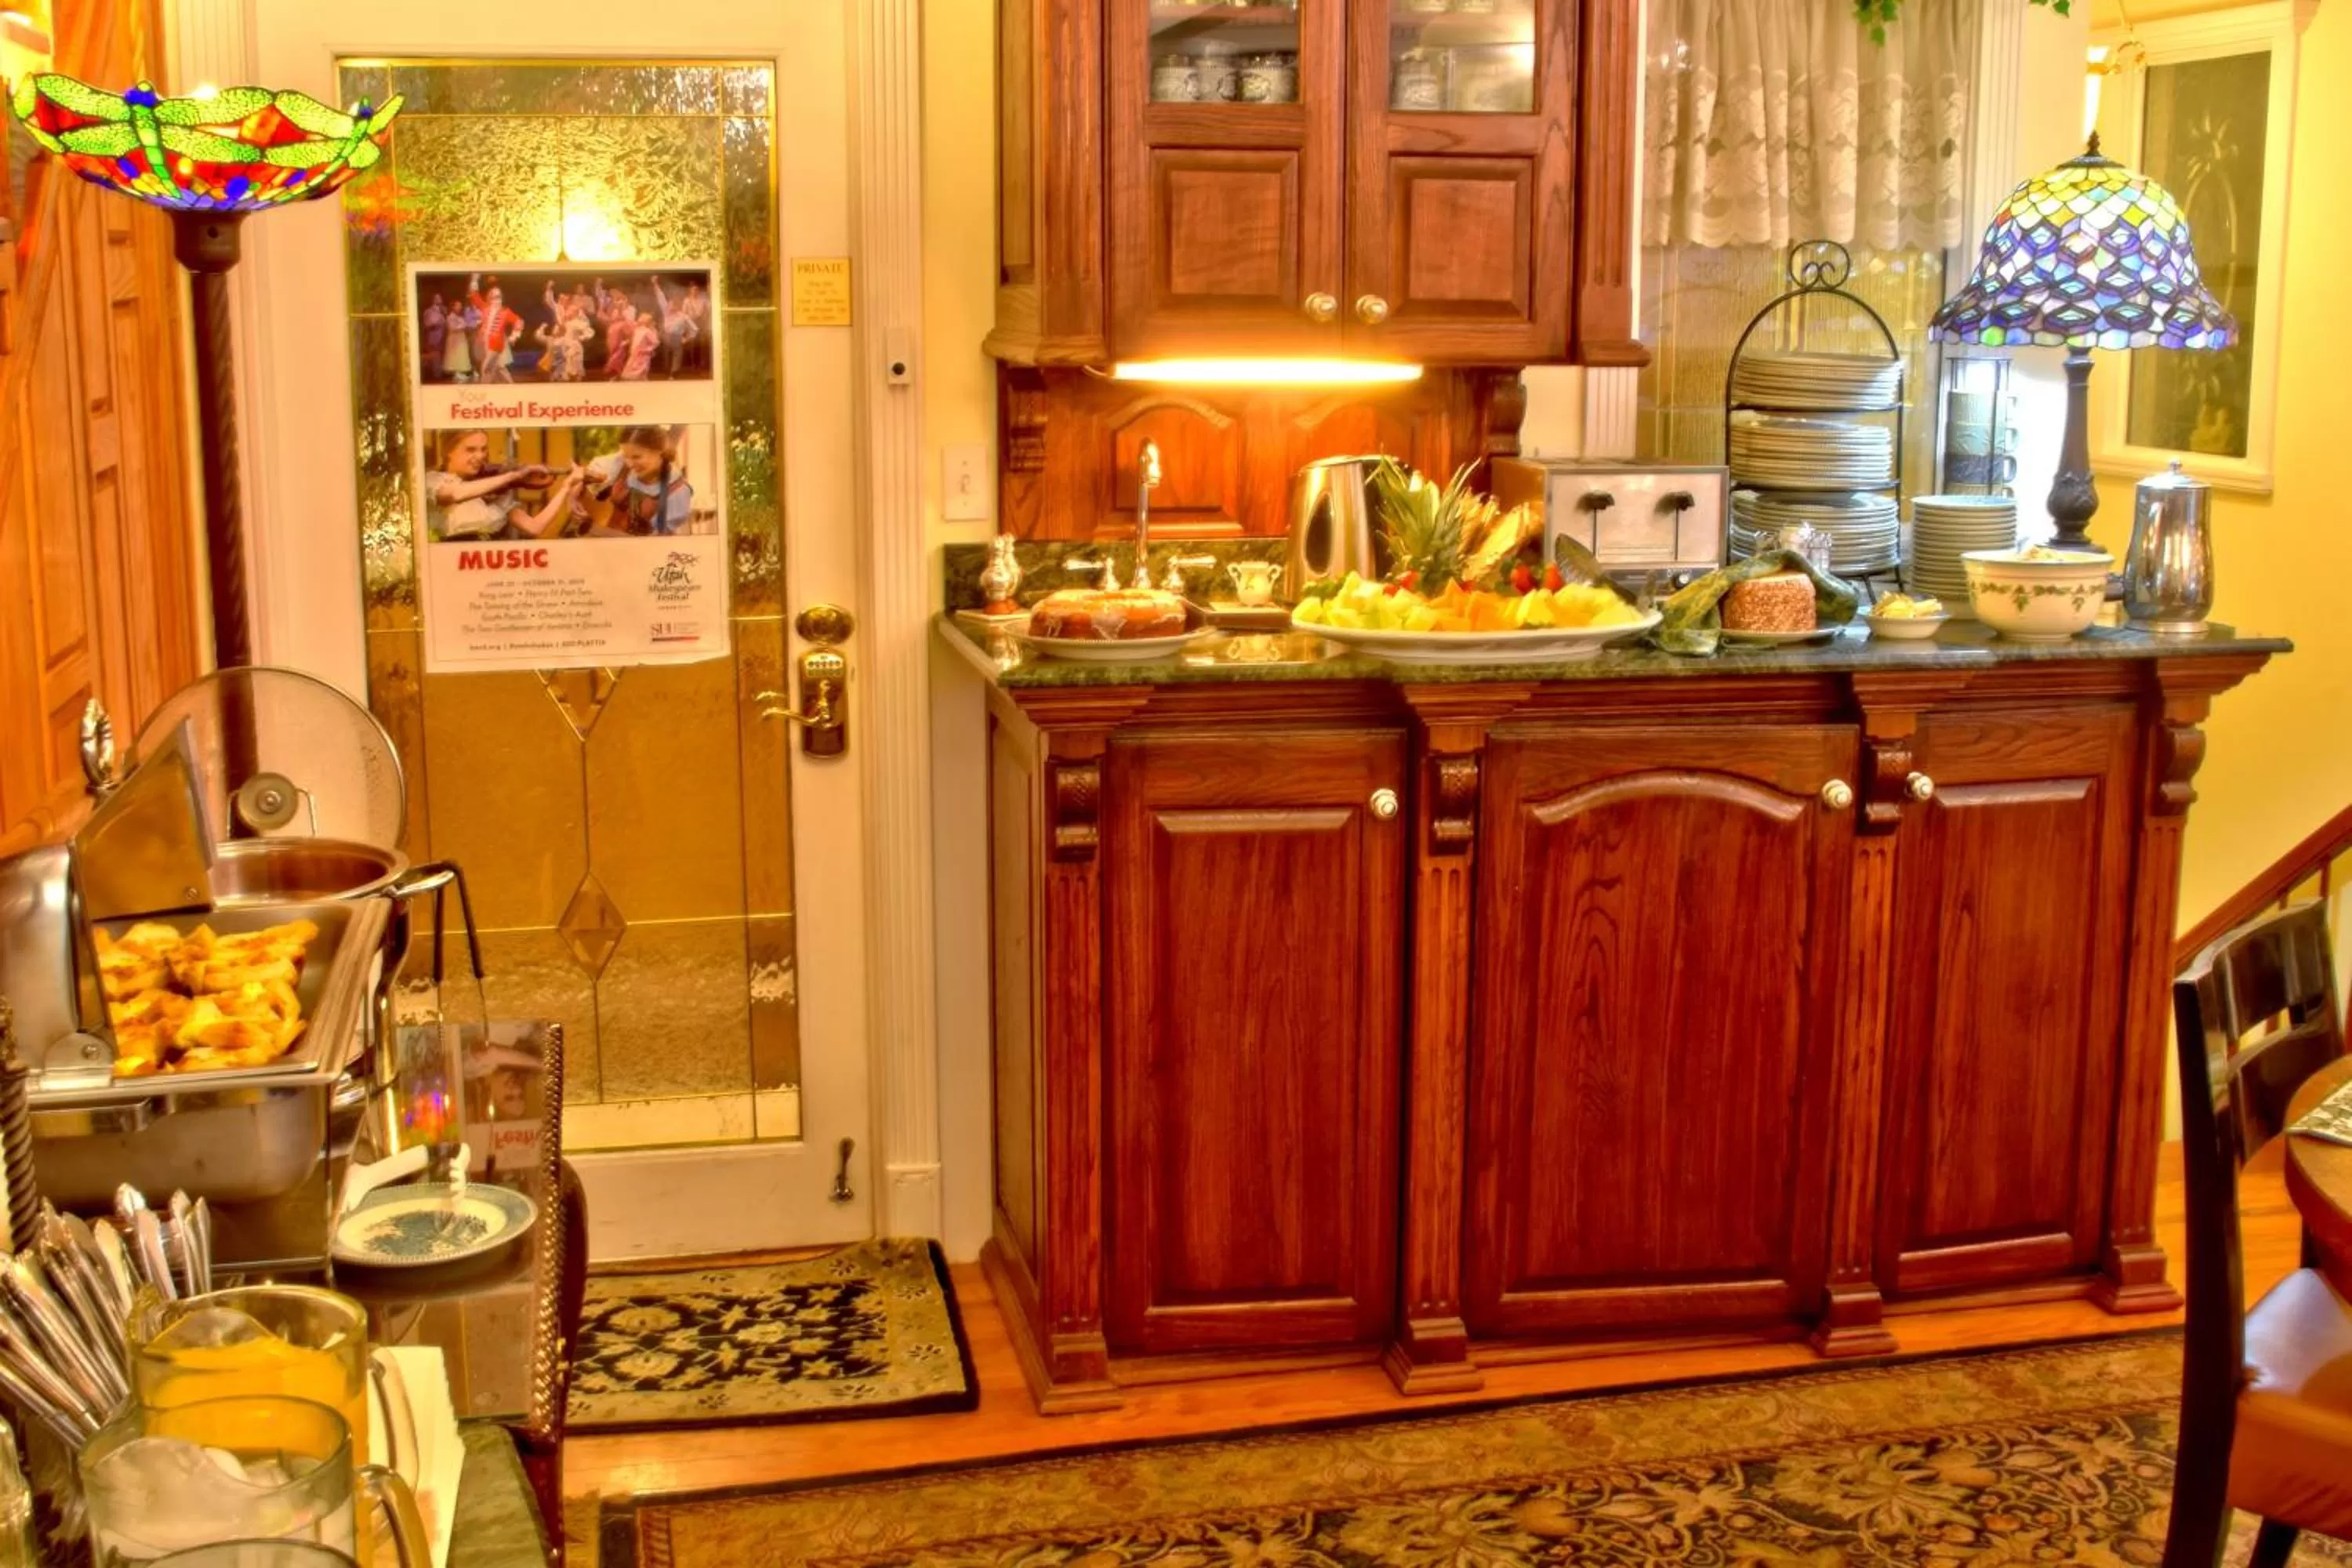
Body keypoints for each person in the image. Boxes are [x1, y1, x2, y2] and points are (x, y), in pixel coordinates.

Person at [424, 430, 582, 541]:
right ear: (448, 451)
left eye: (483, 449)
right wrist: (514, 476)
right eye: (470, 450)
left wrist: (566, 488)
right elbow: (455, 495)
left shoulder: (492, 489)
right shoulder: (434, 481)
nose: (480, 456)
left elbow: (534, 527)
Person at [573, 426, 694, 536]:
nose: (629, 464)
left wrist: (601, 533)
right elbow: (585, 474)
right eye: (626, 456)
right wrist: (575, 494)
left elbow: (655, 542)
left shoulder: (678, 491)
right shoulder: (620, 463)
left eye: (637, 457)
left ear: (659, 452)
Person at [469, 274, 525, 385]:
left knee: (486, 368)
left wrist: (514, 336)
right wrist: (474, 280)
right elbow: (474, 296)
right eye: (494, 297)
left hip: (496, 345)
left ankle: (484, 391)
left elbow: (519, 321)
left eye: (499, 297)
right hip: (484, 343)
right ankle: (512, 386)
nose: (497, 300)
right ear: (489, 298)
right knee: (499, 367)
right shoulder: (485, 308)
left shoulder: (505, 312)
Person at [618, 304, 663, 382]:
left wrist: (648, 349)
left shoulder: (647, 331)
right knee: (632, 371)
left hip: (643, 355)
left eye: (642, 319)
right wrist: (626, 342)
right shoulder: (637, 330)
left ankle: (643, 381)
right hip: (635, 354)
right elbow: (633, 338)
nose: (640, 320)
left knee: (641, 370)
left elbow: (656, 342)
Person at [420, 294, 448, 381]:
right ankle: (436, 376)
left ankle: (440, 373)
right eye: (437, 298)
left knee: (441, 355)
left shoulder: (444, 310)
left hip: (443, 335)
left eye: (440, 298)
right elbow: (427, 324)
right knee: (435, 355)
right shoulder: (428, 311)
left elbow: (447, 321)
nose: (439, 299)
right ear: (433, 300)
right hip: (433, 336)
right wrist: (435, 324)